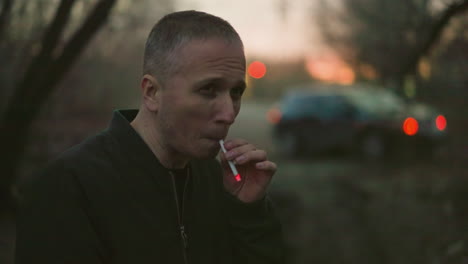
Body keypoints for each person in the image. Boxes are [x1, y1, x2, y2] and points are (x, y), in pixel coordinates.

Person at [15, 10, 285, 264]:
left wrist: (249, 213)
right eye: (209, 89)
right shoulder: (69, 188)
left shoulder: (217, 182)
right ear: (152, 93)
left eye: (236, 93)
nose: (229, 113)